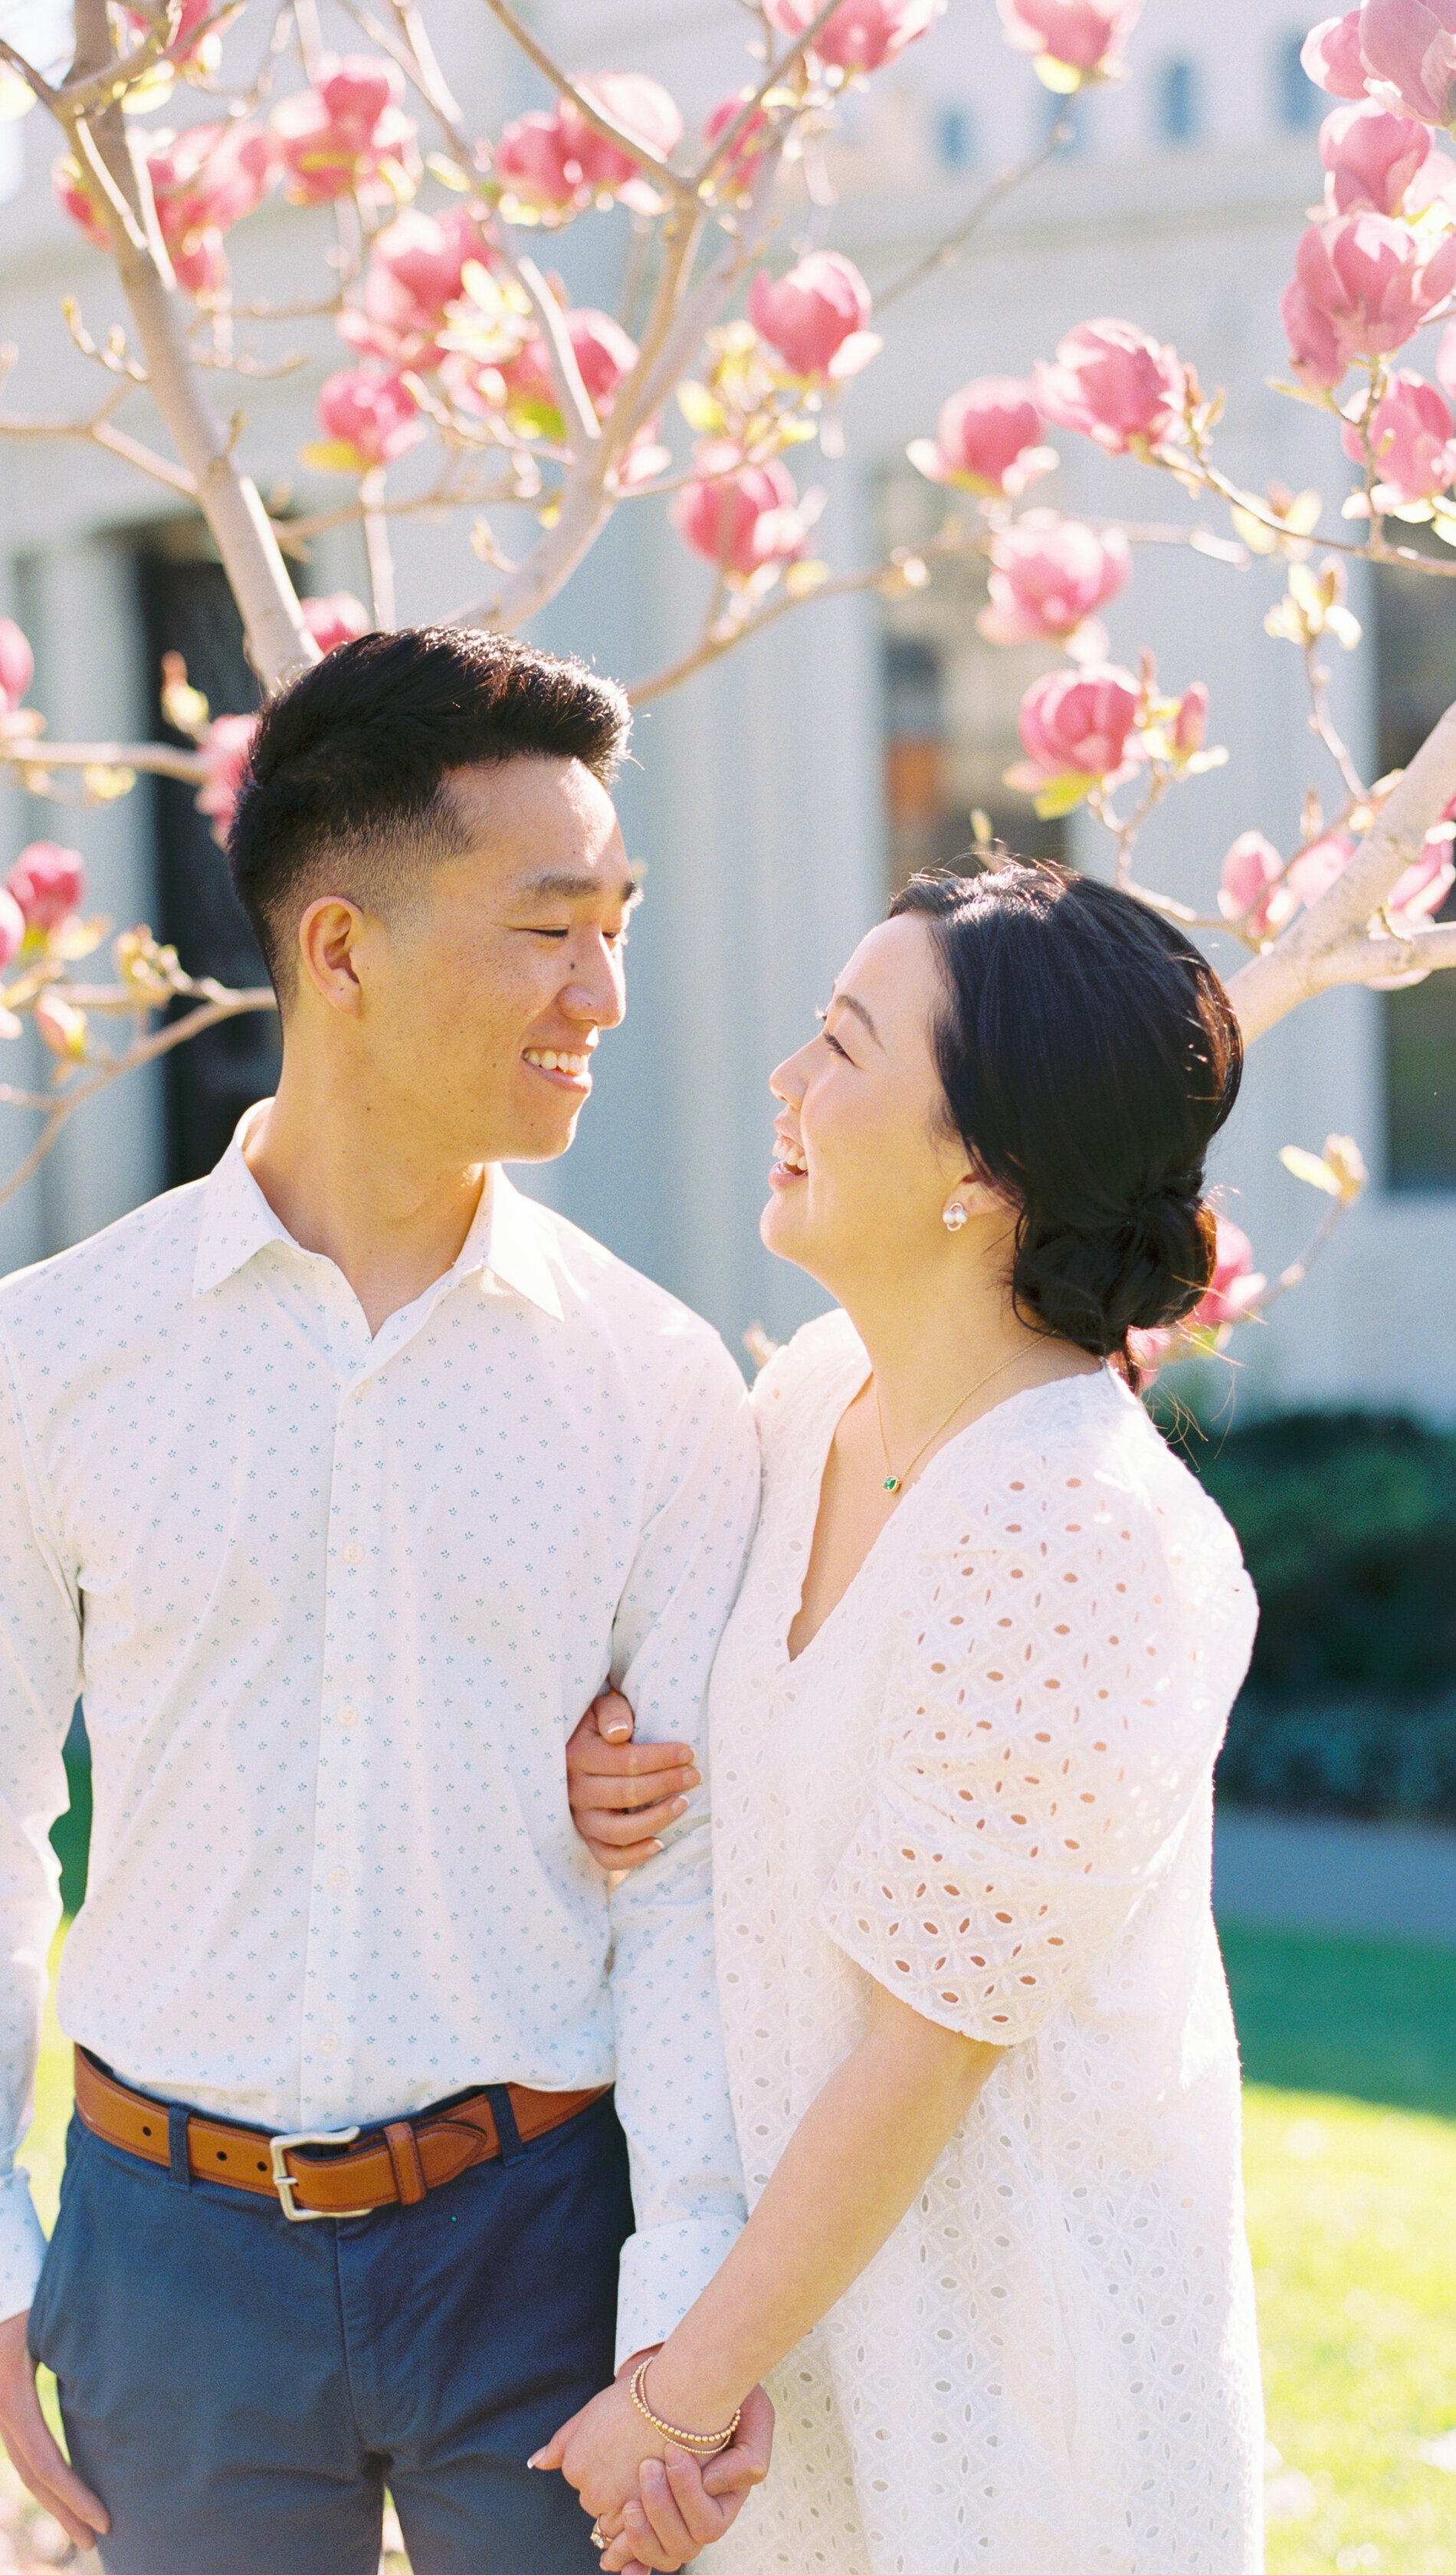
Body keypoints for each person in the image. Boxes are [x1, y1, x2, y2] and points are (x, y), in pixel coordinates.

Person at [0, 625, 774, 2575]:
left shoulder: (653, 1382)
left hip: (542, 2250)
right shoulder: (58, 1355)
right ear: (341, 951)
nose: (604, 991)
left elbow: (687, 1882)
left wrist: (680, 2299)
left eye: (615, 922)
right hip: (165, 2254)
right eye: (550, 927)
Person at [552, 861, 1264, 2574]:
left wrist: (669, 2402)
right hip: (793, 2347)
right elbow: (734, 1797)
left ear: (980, 1172)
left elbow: (916, 2053)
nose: (785, 1085)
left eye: (842, 1048)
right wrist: (620, 1764)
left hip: (1015, 2396)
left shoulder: (1079, 1532)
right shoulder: (810, 1399)